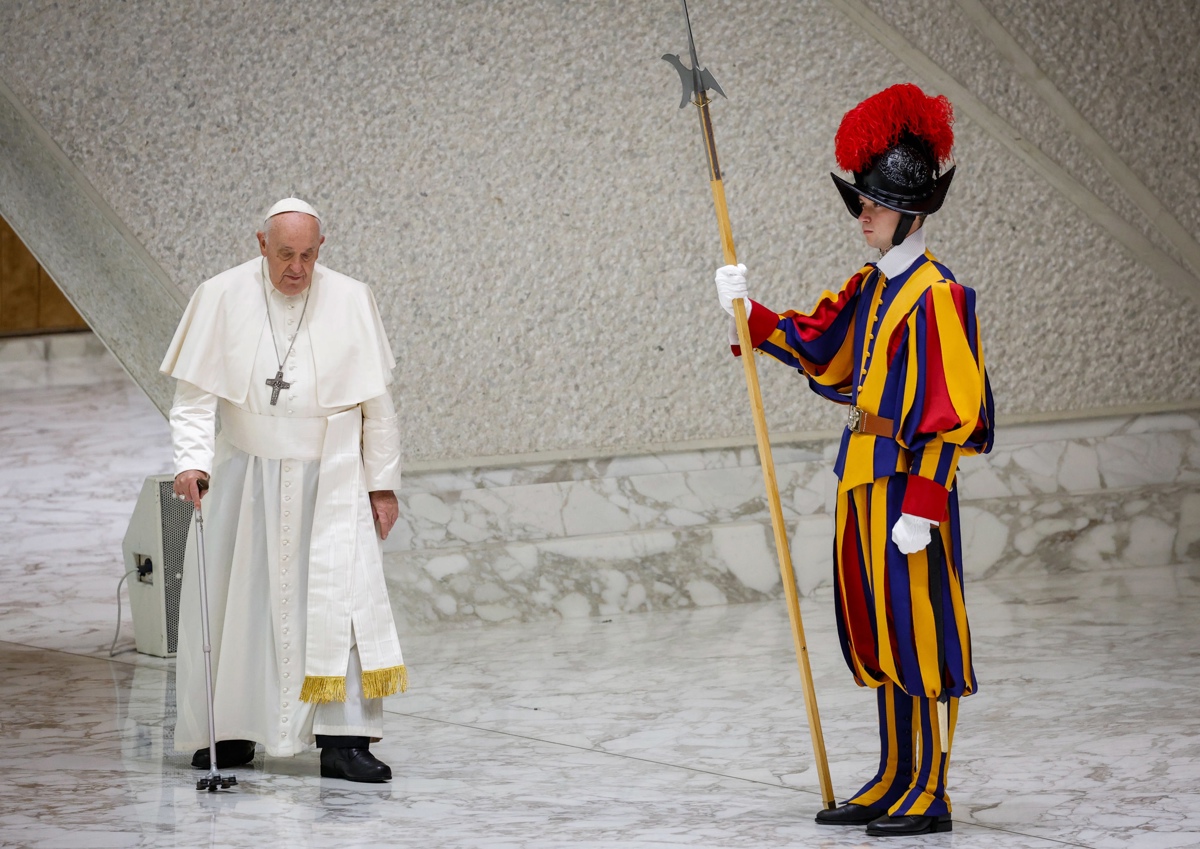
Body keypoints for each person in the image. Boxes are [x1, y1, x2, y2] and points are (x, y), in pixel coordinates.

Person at [714, 84, 993, 837]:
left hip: (909, 488)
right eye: (860, 199)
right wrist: (751, 312)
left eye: (872, 201)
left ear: (911, 209)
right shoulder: (873, 288)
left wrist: (925, 506)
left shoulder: (939, 297)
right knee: (879, 628)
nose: (860, 212)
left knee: (918, 635)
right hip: (865, 479)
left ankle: (926, 789)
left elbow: (951, 415)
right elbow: (822, 347)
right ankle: (894, 774)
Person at [161, 197, 406, 783]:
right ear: (260, 244)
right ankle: (231, 732)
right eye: (284, 255)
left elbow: (379, 404)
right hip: (244, 475)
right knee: (237, 604)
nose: (296, 269)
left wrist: (383, 485)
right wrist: (192, 463)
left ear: (322, 249)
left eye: (308, 256)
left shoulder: (351, 297)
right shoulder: (219, 296)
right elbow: (194, 400)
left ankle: (343, 742)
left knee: (339, 606)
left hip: (334, 475)